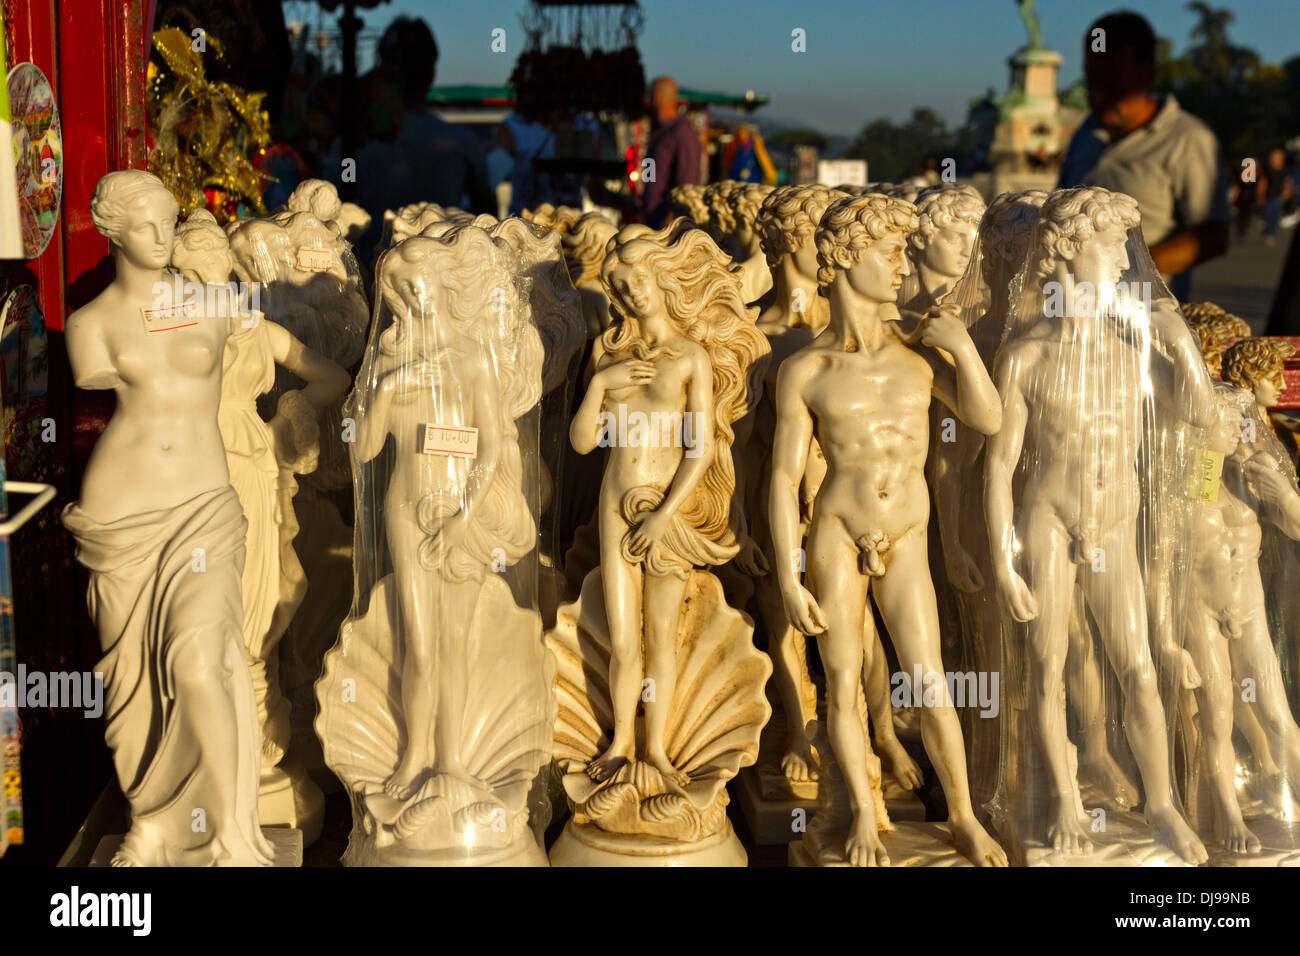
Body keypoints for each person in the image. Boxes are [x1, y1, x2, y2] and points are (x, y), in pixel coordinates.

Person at [1058, 10, 1229, 300]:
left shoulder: (1188, 139)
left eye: (1112, 87)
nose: (1098, 98)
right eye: (1091, 85)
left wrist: (1126, 270)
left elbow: (1212, 236)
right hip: (1071, 307)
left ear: (1147, 76)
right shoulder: (1085, 133)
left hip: (1146, 318)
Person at [341, 17, 493, 249]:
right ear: (432, 74)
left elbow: (335, 206)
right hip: (447, 271)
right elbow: (488, 218)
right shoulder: (463, 142)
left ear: (385, 72)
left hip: (368, 273)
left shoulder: (353, 142)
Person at [640, 77, 703, 228]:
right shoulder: (657, 133)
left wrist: (672, 222)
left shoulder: (682, 134)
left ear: (658, 97)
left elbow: (688, 184)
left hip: (666, 227)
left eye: (652, 95)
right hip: (650, 220)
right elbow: (651, 175)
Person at [1260, 148, 1293, 246]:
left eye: (1280, 157)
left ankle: (1270, 234)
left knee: (1276, 216)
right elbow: (1263, 182)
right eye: (1276, 157)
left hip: (1279, 196)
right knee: (1269, 216)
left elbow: (1288, 181)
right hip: (1269, 196)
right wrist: (1260, 195)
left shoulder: (1284, 170)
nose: (1278, 159)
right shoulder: (1268, 169)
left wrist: (1287, 192)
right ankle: (1268, 234)